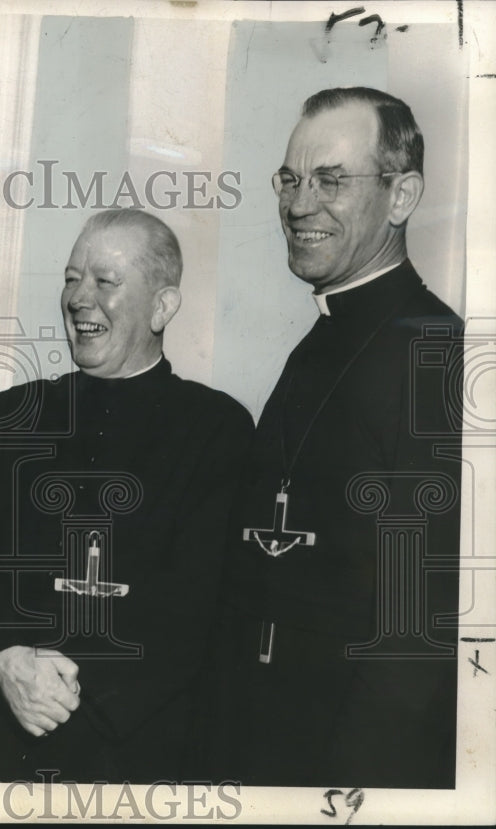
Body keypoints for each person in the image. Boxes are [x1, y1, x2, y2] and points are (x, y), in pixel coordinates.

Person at [0, 208, 254, 783]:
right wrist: (5, 657)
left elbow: (199, 610)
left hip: (130, 754)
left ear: (163, 305)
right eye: (72, 278)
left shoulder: (216, 430)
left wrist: (77, 699)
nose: (80, 297)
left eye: (105, 281)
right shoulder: (14, 414)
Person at [203, 87, 463, 788]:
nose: (296, 204)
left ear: (402, 196)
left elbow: (418, 632)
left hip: (345, 769)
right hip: (259, 750)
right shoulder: (323, 335)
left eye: (330, 180)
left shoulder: (436, 353)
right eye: (290, 179)